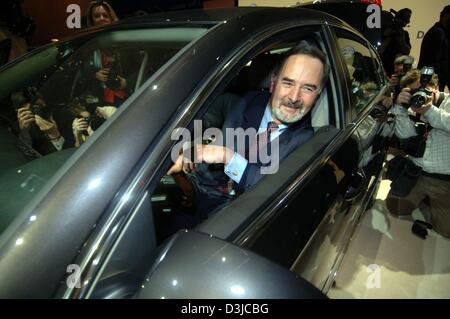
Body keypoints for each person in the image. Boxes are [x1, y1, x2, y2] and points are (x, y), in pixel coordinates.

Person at [168, 41, 329, 219]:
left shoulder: (308, 142)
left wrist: (226, 156)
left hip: (241, 221)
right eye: (288, 83)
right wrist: (180, 151)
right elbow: (195, 120)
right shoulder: (244, 102)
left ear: (317, 96)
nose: (294, 97)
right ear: (273, 83)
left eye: (307, 88)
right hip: (198, 194)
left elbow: (274, 191)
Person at [387, 68, 450, 238]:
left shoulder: (448, 103)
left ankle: (429, 203)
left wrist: (429, 111)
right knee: (394, 207)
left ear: (435, 87)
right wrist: (399, 107)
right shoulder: (412, 106)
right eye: (415, 92)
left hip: (444, 181)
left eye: (424, 90)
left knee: (445, 232)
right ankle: (424, 201)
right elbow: (405, 135)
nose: (419, 96)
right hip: (416, 173)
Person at [83, 1, 128, 107]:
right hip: (97, 99)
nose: (101, 18)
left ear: (111, 18)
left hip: (125, 96)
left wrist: (127, 82)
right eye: (97, 16)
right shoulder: (87, 45)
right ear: (92, 20)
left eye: (105, 15)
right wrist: (94, 74)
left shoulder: (124, 41)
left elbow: (141, 69)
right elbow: (81, 71)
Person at [418, 5, 450, 91]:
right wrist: (437, 80)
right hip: (433, 79)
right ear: (446, 16)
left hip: (433, 78)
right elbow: (435, 60)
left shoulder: (439, 32)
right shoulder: (438, 32)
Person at [380, 8, 412, 77]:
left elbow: (407, 51)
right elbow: (379, 51)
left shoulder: (404, 34)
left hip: (396, 71)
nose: (403, 23)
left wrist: (401, 39)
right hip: (383, 66)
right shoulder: (385, 31)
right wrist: (390, 35)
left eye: (405, 21)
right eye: (402, 19)